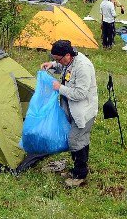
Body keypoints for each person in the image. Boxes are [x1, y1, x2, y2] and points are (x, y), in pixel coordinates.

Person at [41, 40, 97, 187]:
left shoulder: (83, 67)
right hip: (72, 108)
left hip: (83, 110)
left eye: (57, 59)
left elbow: (80, 93)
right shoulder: (69, 60)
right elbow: (65, 68)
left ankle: (80, 174)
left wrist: (60, 88)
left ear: (67, 55)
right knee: (78, 140)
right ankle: (76, 169)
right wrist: (52, 65)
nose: (56, 61)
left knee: (76, 140)